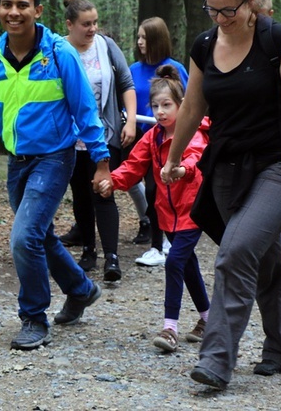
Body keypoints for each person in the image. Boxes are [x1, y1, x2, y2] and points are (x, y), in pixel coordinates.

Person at [160, 0, 281, 390]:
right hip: (227, 165)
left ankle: (217, 358)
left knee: (236, 251)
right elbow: (193, 107)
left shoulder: (279, 41)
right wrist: (174, 157)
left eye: (229, 9)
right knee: (263, 259)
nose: (220, 18)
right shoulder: (204, 45)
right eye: (212, 9)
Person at [0, 0, 109, 350]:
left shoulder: (59, 53)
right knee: (39, 236)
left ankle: (33, 317)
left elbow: (85, 109)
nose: (14, 12)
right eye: (7, 4)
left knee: (24, 237)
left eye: (22, 5)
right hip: (18, 161)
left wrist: (101, 160)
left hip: (54, 158)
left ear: (37, 10)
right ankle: (80, 289)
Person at [97, 65, 211, 352]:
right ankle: (209, 319)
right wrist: (113, 181)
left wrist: (182, 170)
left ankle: (170, 328)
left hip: (192, 212)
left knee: (174, 261)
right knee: (187, 265)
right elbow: (134, 165)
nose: (160, 112)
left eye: (166, 105)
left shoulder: (193, 133)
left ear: (182, 105)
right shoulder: (153, 137)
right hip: (167, 214)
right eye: (155, 106)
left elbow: (196, 160)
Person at [61, 0, 137, 281]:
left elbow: (126, 83)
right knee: (81, 194)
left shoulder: (106, 46)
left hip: (105, 134)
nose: (92, 29)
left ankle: (112, 258)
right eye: (86, 24)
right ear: (70, 25)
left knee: (104, 192)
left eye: (95, 23)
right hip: (70, 137)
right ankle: (89, 251)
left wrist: (129, 120)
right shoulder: (59, 49)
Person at [130, 17, 189, 267]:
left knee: (160, 190)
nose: (139, 42)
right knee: (147, 190)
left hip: (170, 141)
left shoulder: (174, 70)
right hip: (142, 139)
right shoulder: (132, 70)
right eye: (139, 37)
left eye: (144, 37)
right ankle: (157, 240)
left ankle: (166, 240)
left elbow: (187, 105)